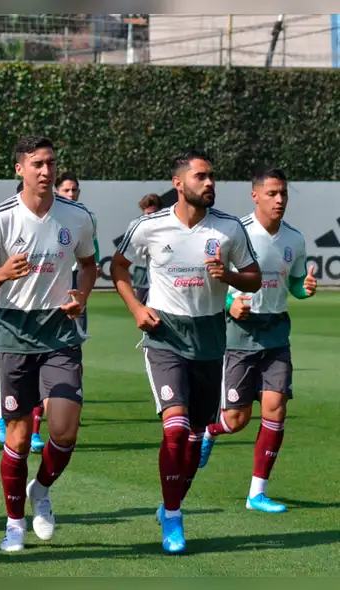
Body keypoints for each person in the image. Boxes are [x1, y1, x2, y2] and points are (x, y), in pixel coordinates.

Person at [110, 149, 261, 554]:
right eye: (200, 176)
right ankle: (174, 518)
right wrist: (137, 308)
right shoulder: (150, 226)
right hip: (165, 337)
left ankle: (170, 503)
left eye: (211, 176)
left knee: (193, 441)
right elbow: (118, 267)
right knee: (175, 432)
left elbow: (253, 278)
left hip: (211, 340)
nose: (209, 183)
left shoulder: (228, 228)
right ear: (179, 183)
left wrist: (228, 275)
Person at [0, 136, 98, 553]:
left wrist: (83, 295)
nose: (46, 171)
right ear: (19, 169)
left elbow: (89, 264)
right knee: (20, 438)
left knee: (64, 428)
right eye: (37, 164)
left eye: (51, 163)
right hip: (14, 334)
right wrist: (3, 273)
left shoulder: (77, 216)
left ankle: (40, 490)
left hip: (59, 330)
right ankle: (14, 523)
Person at [198, 168, 317, 513]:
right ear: (256, 196)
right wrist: (229, 303)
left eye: (283, 194)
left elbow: (294, 284)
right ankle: (210, 431)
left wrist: (304, 290)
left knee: (276, 408)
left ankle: (257, 493)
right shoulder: (238, 233)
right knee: (236, 421)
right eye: (272, 193)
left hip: (276, 333)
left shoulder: (294, 239)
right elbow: (213, 281)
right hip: (238, 336)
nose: (279, 200)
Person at [22, 173, 101, 453]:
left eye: (75, 189)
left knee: (71, 366)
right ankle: (31, 428)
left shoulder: (83, 218)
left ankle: (54, 418)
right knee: (32, 374)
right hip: (34, 310)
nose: (71, 193)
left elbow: (90, 261)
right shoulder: (33, 216)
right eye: (66, 189)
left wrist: (83, 293)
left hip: (73, 303)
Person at [132, 194, 163, 304]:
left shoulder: (167, 226)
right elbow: (130, 252)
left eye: (155, 214)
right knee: (143, 310)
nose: (151, 217)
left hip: (162, 272)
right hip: (143, 272)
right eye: (148, 214)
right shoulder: (136, 225)